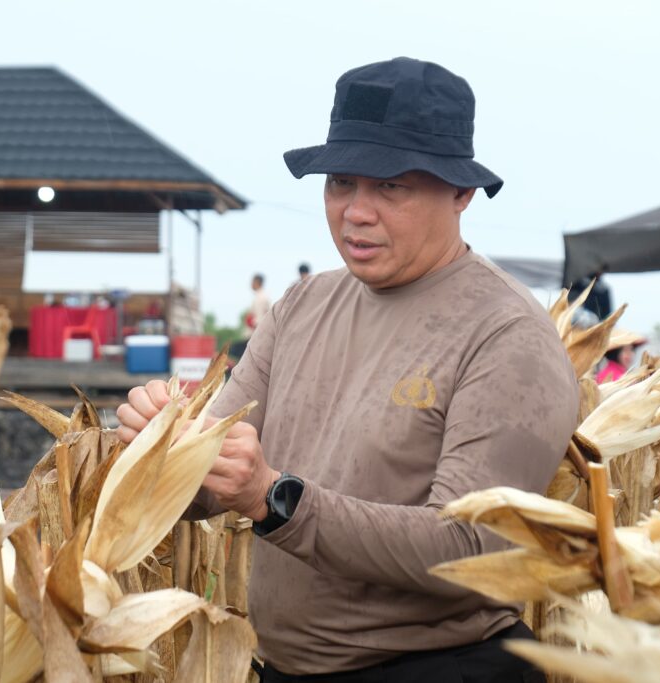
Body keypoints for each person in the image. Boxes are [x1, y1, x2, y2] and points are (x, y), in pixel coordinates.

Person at [117, 57, 578, 682]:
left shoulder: (505, 334)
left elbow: (473, 549)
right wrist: (159, 451)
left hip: (436, 670)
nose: (355, 212)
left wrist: (274, 500)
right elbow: (209, 480)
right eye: (341, 182)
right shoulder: (303, 306)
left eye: (391, 187)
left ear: (461, 193)